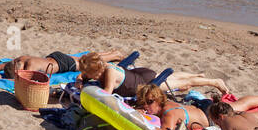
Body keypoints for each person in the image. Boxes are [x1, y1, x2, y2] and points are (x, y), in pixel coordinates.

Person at [75, 51, 228, 97]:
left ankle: (214, 82)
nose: (90, 77)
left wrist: (84, 91)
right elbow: (82, 75)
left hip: (146, 84)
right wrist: (79, 80)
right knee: (173, 78)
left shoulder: (109, 72)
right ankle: (197, 75)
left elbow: (105, 94)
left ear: (97, 70)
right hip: (140, 74)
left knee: (184, 85)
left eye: (89, 73)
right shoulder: (100, 67)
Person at [0, 51, 88, 79]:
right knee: (86, 59)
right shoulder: (18, 60)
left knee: (90, 66)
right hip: (55, 56)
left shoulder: (30, 66)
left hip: (62, 64)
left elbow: (23, 81)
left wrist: (8, 78)